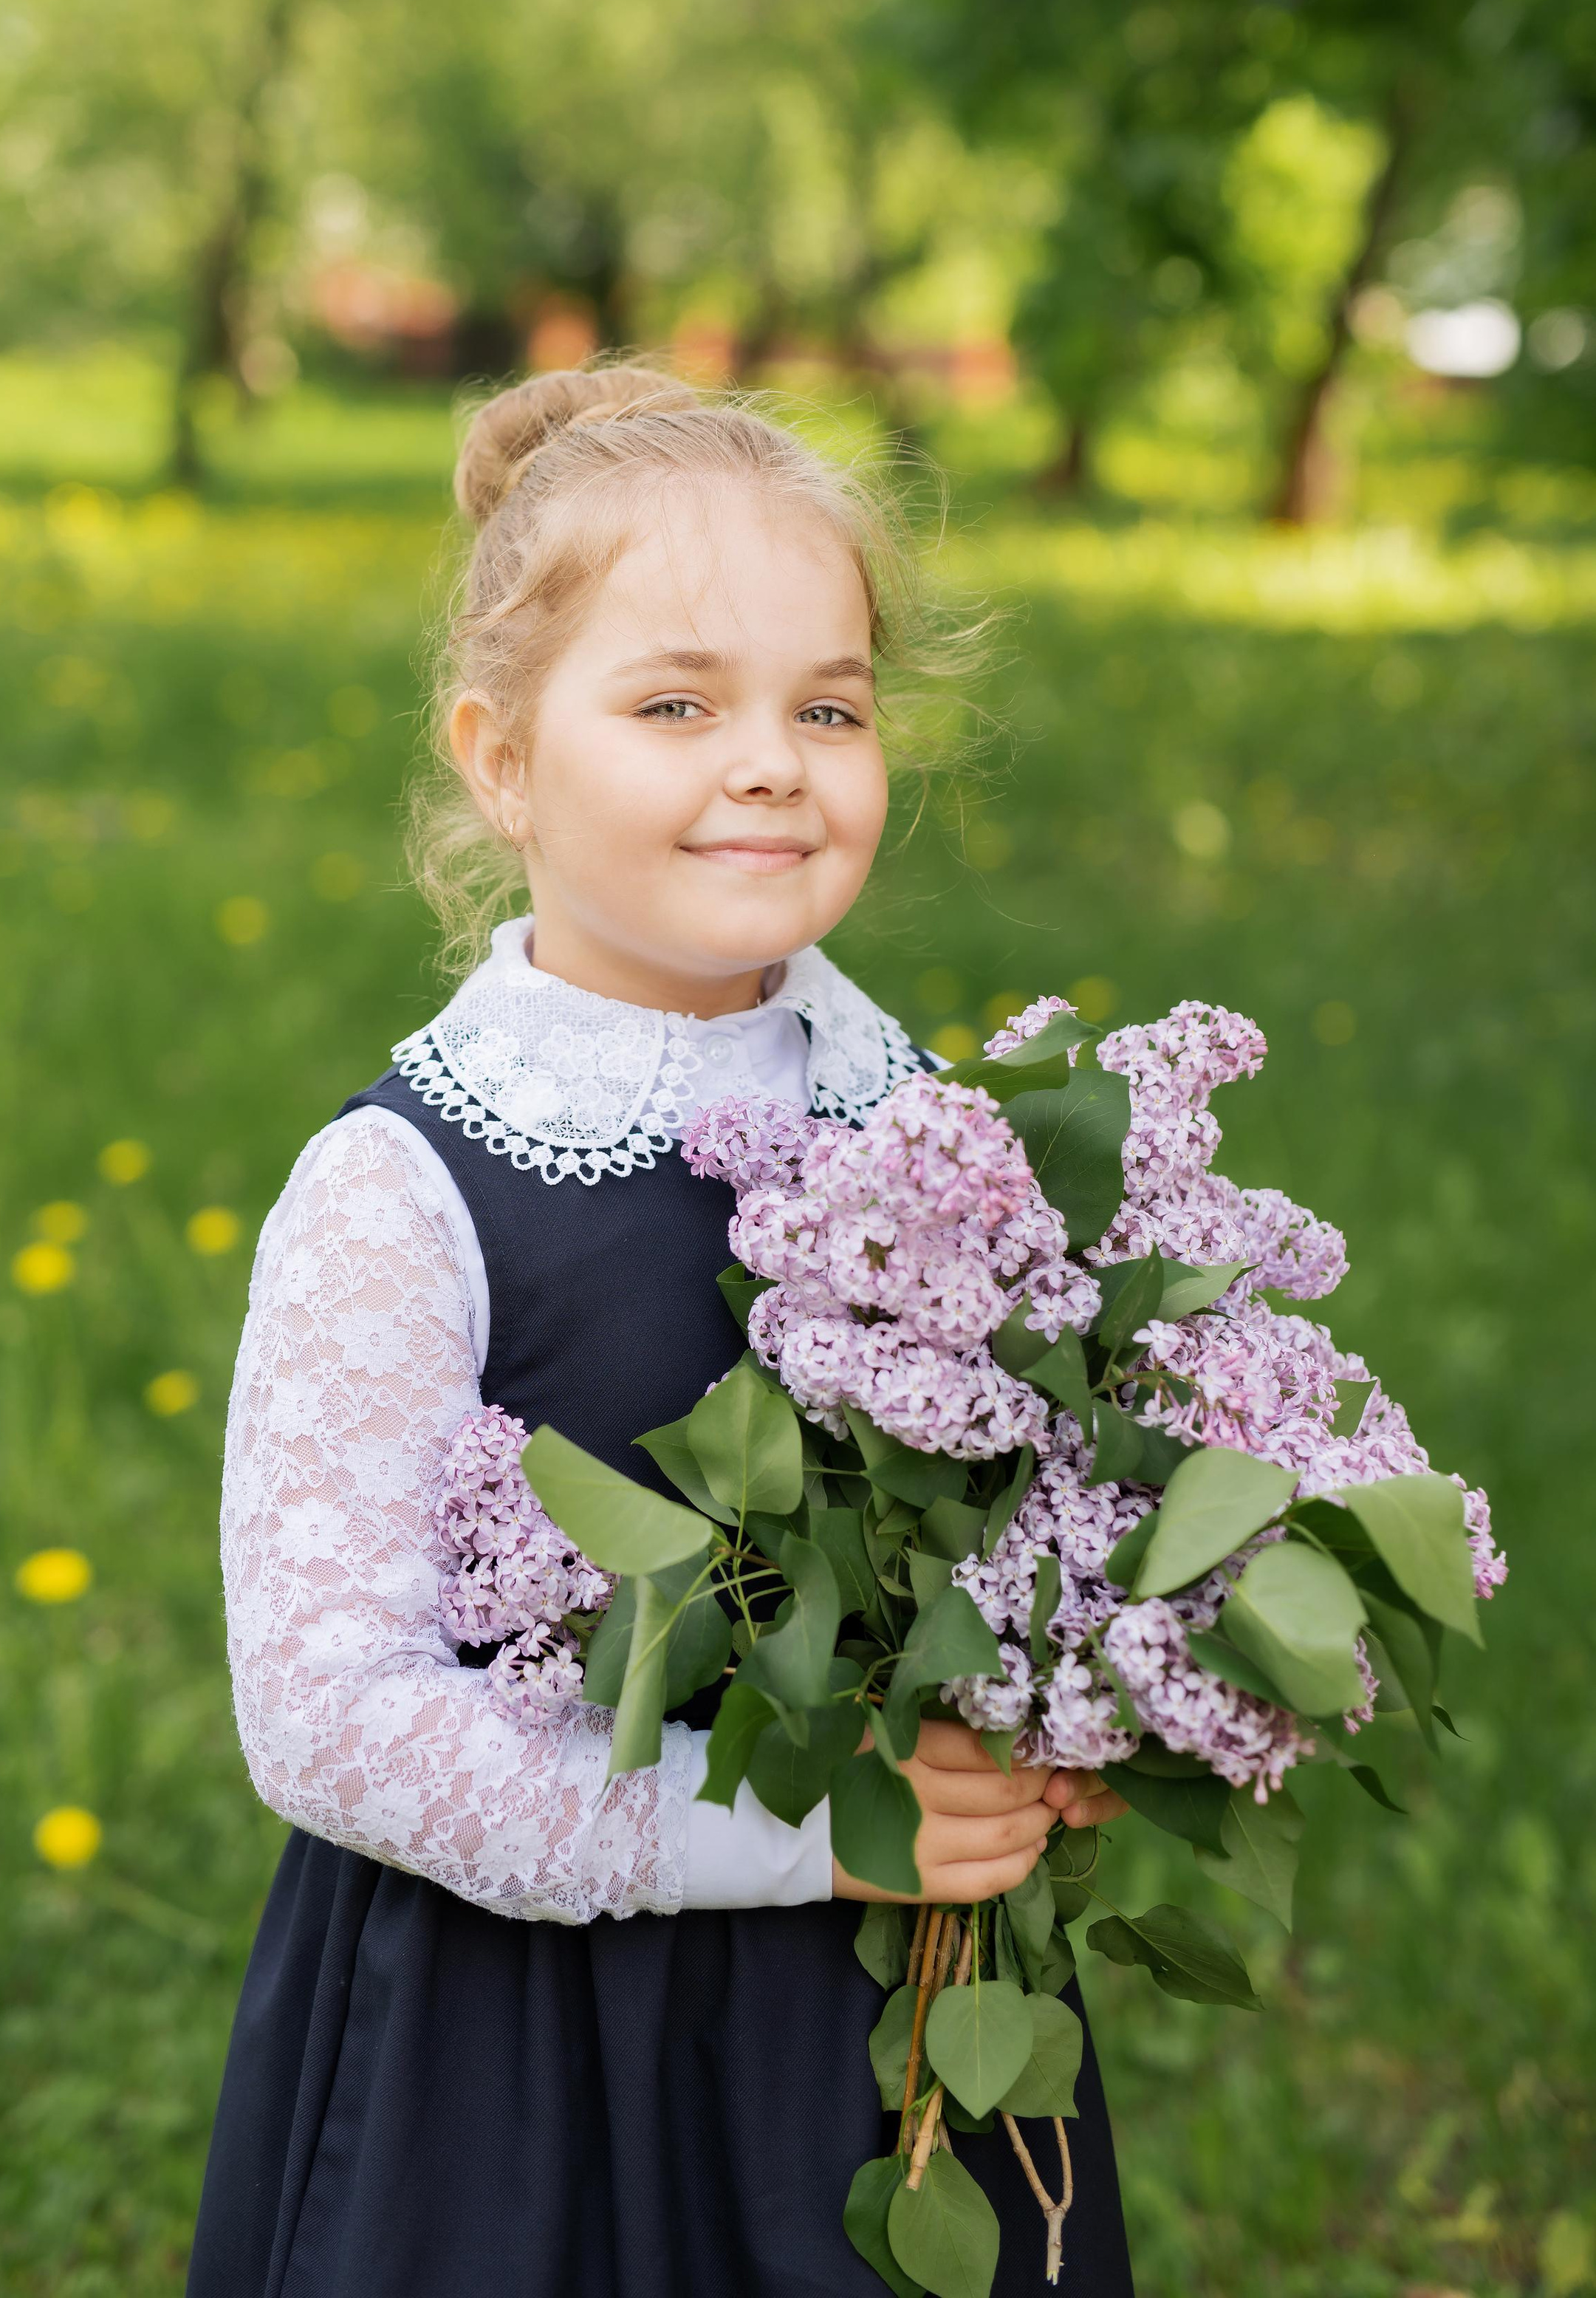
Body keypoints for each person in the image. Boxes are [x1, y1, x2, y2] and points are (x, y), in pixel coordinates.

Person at [187, 366, 1133, 2298]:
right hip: (520, 2070)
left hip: (879, 2049)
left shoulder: (932, 1130)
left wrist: (1074, 1704)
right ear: (503, 756)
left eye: (831, 707)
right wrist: (808, 1830)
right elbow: (328, 1715)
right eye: (678, 703)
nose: (773, 759)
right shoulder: (406, 1191)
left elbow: (1034, 1521)